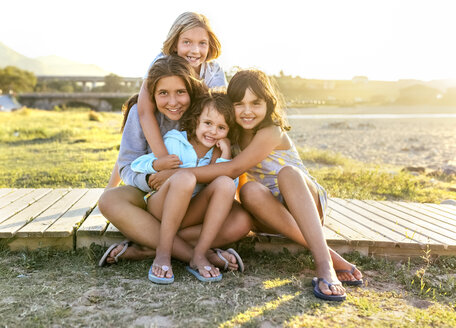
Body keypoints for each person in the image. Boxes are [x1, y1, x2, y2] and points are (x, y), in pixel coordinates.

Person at [149, 69, 363, 301]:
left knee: (288, 173)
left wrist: (176, 173)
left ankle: (326, 263)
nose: (248, 111)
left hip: (305, 206)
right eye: (240, 104)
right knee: (248, 191)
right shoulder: (231, 133)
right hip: (266, 213)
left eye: (256, 103)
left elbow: (233, 169)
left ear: (268, 104)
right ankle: (153, 246)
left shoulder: (271, 131)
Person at [98, 55, 250, 275]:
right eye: (163, 93)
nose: (173, 102)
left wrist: (217, 158)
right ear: (152, 94)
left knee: (241, 221)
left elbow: (225, 181)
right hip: (158, 196)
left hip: (195, 206)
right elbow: (129, 165)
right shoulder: (165, 132)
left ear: (191, 92)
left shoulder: (210, 115)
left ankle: (145, 248)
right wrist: (152, 176)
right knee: (109, 200)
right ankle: (197, 255)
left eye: (180, 92)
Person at [106, 12, 226, 188]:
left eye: (202, 43)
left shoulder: (213, 71)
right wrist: (162, 160)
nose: (194, 50)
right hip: (163, 116)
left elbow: (222, 111)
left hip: (194, 117)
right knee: (136, 133)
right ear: (175, 43)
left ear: (210, 45)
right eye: (187, 42)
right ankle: (110, 188)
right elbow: (144, 110)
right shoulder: (161, 62)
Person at [131, 91, 238, 283]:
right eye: (208, 123)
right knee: (185, 178)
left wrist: (225, 154)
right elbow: (136, 165)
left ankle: (199, 254)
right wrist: (157, 166)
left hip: (189, 214)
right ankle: (162, 253)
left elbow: (228, 192)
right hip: (160, 207)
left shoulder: (218, 153)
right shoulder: (175, 141)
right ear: (196, 120)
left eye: (221, 127)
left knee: (226, 183)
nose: (213, 131)